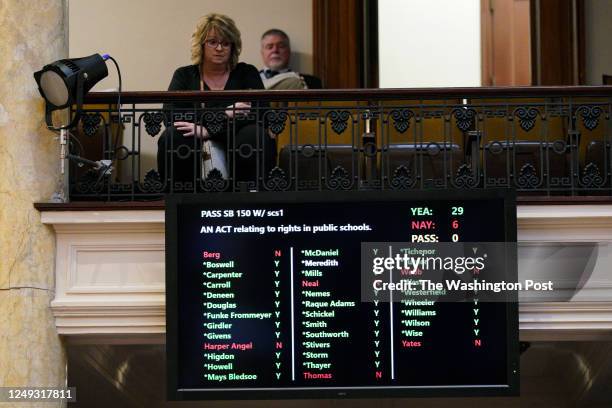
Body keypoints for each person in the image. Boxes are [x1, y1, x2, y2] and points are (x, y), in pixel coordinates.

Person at [157, 13, 275, 187]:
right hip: (196, 139)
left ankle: (249, 198)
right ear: (201, 45)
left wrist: (209, 129)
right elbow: (171, 116)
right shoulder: (184, 75)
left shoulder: (246, 73)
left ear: (233, 47)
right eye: (213, 42)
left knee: (254, 134)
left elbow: (260, 114)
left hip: (238, 139)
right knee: (172, 136)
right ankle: (180, 201)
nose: (219, 48)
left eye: (226, 43)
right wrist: (225, 114)